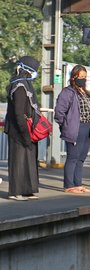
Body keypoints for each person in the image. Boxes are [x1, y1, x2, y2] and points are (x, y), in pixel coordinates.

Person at [5, 56, 41, 200]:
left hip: (28, 129)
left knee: (29, 160)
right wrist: (25, 135)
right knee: (18, 161)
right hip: (18, 130)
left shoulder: (25, 84)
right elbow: (19, 113)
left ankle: (27, 189)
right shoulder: (19, 86)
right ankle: (15, 191)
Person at [54, 64, 90, 193]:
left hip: (87, 127)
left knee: (81, 158)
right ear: (73, 77)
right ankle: (69, 185)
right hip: (75, 128)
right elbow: (59, 112)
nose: (83, 79)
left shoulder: (85, 93)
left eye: (85, 77)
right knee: (72, 157)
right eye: (81, 77)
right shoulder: (68, 92)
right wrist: (65, 125)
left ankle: (78, 183)